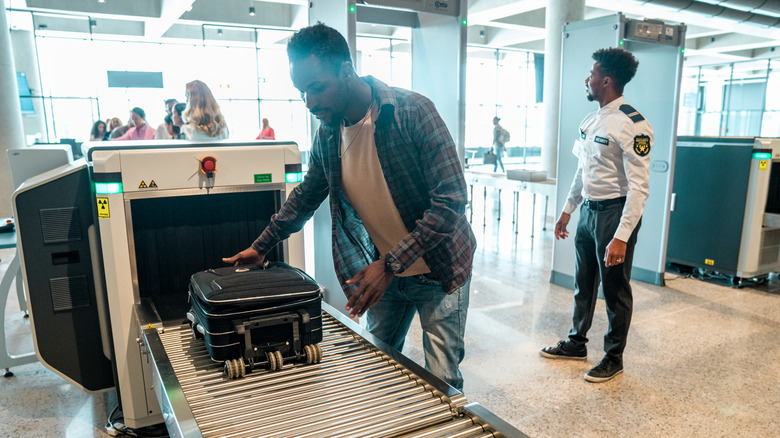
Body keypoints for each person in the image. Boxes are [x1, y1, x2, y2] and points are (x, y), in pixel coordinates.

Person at [223, 23, 476, 391]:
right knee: (379, 367)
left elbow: (451, 201)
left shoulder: (413, 112)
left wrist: (389, 265)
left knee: (441, 379)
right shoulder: (328, 133)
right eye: (301, 92)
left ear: (346, 71)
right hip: (385, 272)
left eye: (316, 87)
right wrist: (261, 246)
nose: (309, 102)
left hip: (439, 270)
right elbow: (307, 194)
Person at [540, 47, 653, 383]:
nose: (586, 80)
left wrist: (621, 236)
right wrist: (567, 210)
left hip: (614, 215)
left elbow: (639, 188)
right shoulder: (591, 120)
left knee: (615, 289)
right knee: (583, 282)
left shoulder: (634, 125)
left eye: (591, 74)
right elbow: (582, 171)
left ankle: (613, 357)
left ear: (605, 80)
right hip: (588, 213)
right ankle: (576, 343)